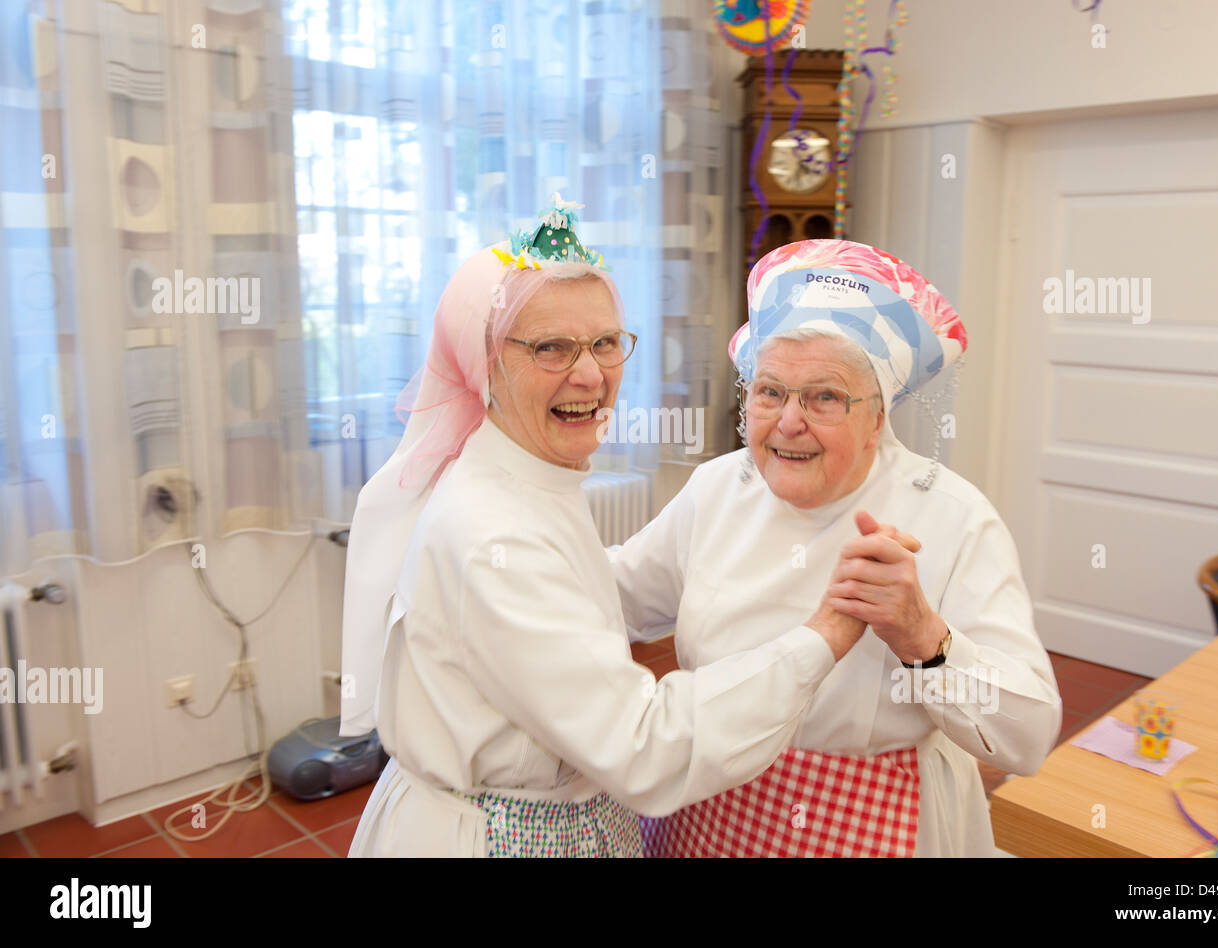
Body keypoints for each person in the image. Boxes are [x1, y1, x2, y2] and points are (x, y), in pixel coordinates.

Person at [339, 199, 890, 856]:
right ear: (484, 364)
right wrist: (822, 636)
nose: (591, 374)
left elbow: (592, 590)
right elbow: (643, 747)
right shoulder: (494, 534)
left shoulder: (531, 470)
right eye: (551, 347)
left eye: (605, 343)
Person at [613, 239, 1062, 857]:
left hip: (865, 819)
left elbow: (1028, 737)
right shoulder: (721, 486)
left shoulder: (952, 515)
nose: (789, 421)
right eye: (770, 392)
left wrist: (922, 637)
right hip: (706, 806)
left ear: (878, 417)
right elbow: (621, 598)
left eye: (824, 397)